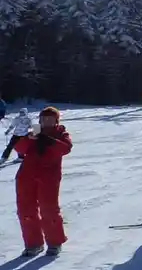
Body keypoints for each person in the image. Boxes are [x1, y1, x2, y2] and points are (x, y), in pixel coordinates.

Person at [13, 107, 72, 257]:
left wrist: (50, 141)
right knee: (26, 210)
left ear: (56, 121)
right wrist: (28, 138)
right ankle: (33, 244)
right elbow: (19, 148)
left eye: (50, 119)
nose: (46, 122)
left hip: (49, 177)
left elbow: (66, 148)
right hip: (26, 176)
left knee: (49, 209)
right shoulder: (35, 133)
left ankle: (54, 242)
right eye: (43, 119)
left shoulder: (61, 133)